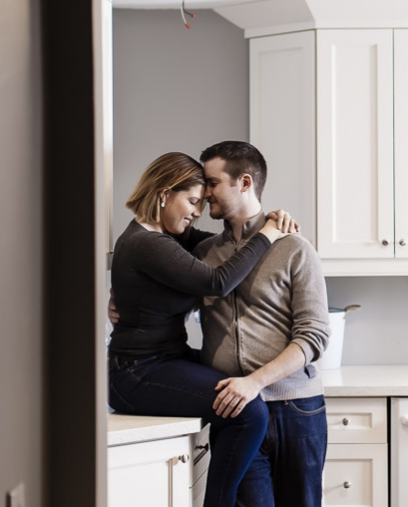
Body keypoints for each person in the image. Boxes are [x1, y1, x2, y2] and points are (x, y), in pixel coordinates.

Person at [107, 152, 295, 507]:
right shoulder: (148, 243)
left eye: (202, 201)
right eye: (192, 201)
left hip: (163, 360)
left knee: (234, 382)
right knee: (247, 411)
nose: (196, 211)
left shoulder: (171, 236)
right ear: (164, 194)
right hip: (136, 372)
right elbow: (217, 280)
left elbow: (229, 245)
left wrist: (268, 221)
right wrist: (268, 235)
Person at [193, 140, 330, 507]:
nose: (205, 193)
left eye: (212, 183)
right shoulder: (205, 255)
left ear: (245, 182)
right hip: (235, 413)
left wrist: (254, 382)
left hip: (297, 411)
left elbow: (314, 336)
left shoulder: (294, 247)